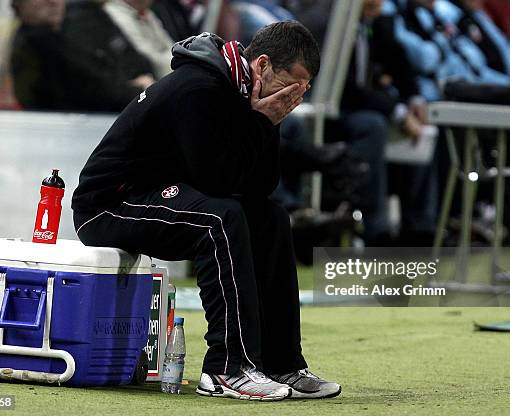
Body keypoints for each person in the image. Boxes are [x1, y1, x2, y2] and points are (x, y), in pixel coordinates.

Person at [72, 22, 341, 400]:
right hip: (109, 205)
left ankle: (282, 364)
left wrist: (268, 121)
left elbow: (259, 186)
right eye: (289, 88)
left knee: (272, 218)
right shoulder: (200, 87)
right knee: (220, 218)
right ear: (261, 65)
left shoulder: (247, 91)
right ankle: (227, 369)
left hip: (161, 193)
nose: (291, 99)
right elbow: (216, 179)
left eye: (300, 92)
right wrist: (262, 120)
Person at [10, 0, 156, 112]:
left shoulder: (76, 26)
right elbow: (95, 95)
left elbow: (137, 61)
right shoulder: (33, 47)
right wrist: (136, 90)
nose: (53, 2)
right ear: (18, 7)